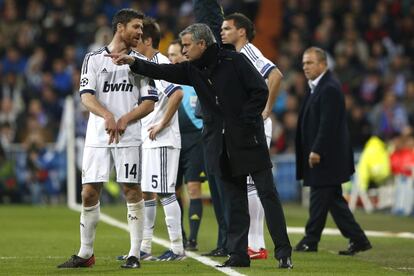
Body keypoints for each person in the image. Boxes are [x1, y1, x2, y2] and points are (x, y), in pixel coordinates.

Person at [106, 23, 293, 269]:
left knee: (267, 193)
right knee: (234, 199)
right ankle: (238, 254)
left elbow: (259, 90)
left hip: (249, 140)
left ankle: (283, 252)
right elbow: (162, 71)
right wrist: (133, 62)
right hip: (221, 144)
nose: (183, 50)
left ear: (202, 44)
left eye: (187, 45)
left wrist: (243, 121)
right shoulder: (193, 69)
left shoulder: (234, 61)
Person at [57, 9, 158, 269]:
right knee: (89, 192)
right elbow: (86, 96)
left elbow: (149, 103)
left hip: (129, 135)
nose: (140, 32)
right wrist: (108, 115)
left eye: (141, 28)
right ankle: (85, 253)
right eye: (136, 27)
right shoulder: (92, 59)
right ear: (120, 27)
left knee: (131, 190)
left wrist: (124, 119)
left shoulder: (140, 63)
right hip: (98, 135)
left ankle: (135, 254)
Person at [295, 47, 372, 255]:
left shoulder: (329, 87)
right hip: (325, 155)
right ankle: (358, 239)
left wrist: (317, 149)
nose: (305, 67)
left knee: (320, 198)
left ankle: (311, 240)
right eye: (303, 63)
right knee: (333, 201)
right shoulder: (319, 86)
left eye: (310, 63)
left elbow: (328, 124)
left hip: (327, 156)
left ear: (323, 64)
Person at [221, 12, 283, 260]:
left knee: (253, 184)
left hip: (255, 125)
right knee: (247, 183)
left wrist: (266, 108)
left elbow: (275, 75)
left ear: (242, 31)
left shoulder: (249, 51)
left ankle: (257, 245)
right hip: (244, 125)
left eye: (227, 28)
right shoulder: (235, 55)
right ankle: (252, 243)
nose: (222, 32)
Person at [133, 17, 185, 261]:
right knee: (147, 191)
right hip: (150, 139)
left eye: (137, 40)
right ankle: (144, 248)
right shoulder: (146, 64)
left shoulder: (160, 63)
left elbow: (177, 93)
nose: (133, 45)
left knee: (165, 192)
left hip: (163, 139)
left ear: (148, 40)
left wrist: (162, 123)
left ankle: (177, 249)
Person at [167, 39, 206, 252]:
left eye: (176, 54)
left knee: (193, 187)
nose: (172, 58)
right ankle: (179, 234)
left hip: (195, 140)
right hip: (173, 140)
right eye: (169, 55)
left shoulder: (193, 79)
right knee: (174, 190)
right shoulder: (165, 81)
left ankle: (193, 238)